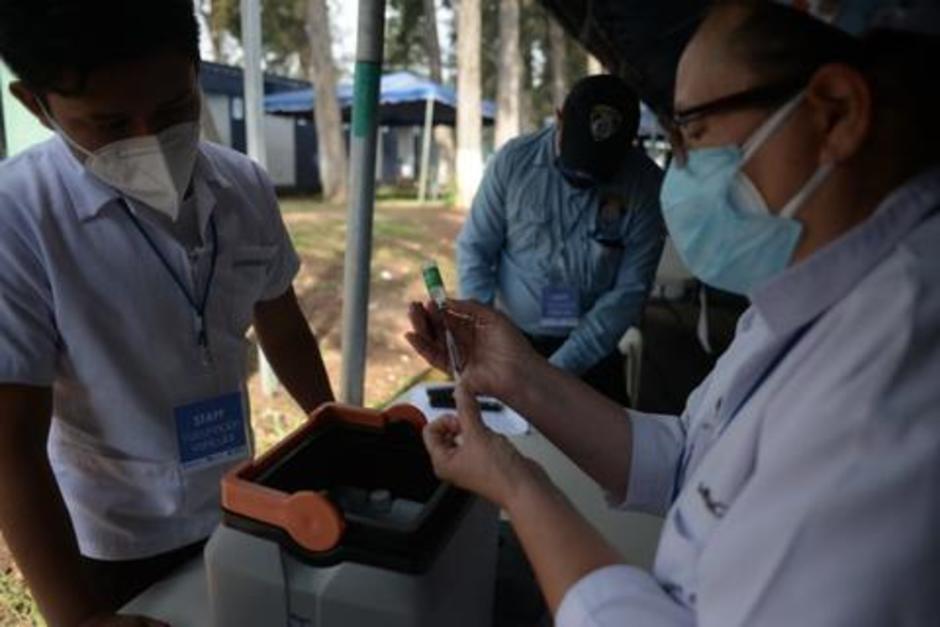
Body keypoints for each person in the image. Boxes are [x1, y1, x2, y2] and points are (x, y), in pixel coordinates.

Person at [407, 1, 940, 624]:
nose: (680, 167)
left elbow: (625, 302)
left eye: (693, 132)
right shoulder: (802, 298)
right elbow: (689, 453)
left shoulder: (895, 372)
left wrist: (520, 488)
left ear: (836, 113)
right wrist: (517, 373)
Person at [0, 1, 334, 624]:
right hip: (116, 538)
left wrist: (332, 419)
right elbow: (10, 442)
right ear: (35, 104)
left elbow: (280, 319)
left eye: (176, 110)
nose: (149, 140)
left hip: (244, 502)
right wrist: (78, 618)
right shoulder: (18, 219)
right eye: (109, 123)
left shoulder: (244, 187)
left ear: (196, 70)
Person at [457, 74, 665, 405]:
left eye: (600, 168)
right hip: (512, 342)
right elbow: (475, 250)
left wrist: (554, 372)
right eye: (578, 159)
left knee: (603, 452)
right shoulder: (514, 163)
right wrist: (481, 336)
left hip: (591, 354)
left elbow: (629, 292)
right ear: (558, 119)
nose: (584, 177)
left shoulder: (646, 187)